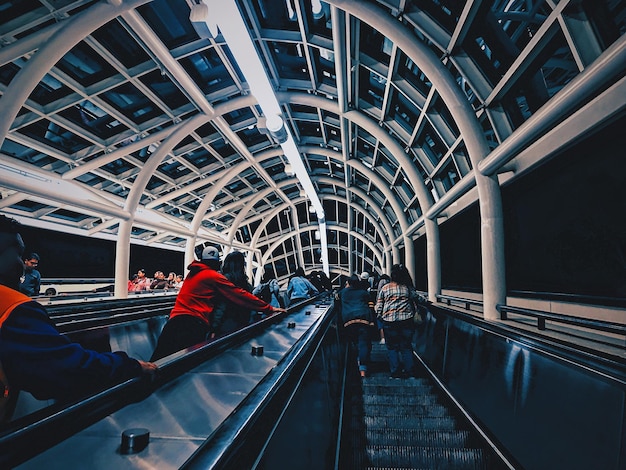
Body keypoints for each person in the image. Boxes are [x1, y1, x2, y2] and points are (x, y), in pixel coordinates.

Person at [0, 214, 157, 422]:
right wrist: (131, 366)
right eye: (18, 254)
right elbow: (65, 370)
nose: (21, 263)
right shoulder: (12, 307)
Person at [149, 246, 286, 361]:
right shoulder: (213, 276)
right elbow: (239, 295)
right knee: (183, 363)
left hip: (174, 321)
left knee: (158, 360)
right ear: (217, 263)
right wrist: (268, 308)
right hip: (192, 324)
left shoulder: (192, 274)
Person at [375, 264, 417, 379]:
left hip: (389, 321)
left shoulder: (385, 288)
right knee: (406, 347)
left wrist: (379, 316)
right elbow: (417, 298)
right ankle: (410, 372)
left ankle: (395, 373)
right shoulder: (407, 287)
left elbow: (379, 306)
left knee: (392, 348)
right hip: (406, 321)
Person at [337, 275, 374, 378]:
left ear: (348, 283)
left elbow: (336, 299)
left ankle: (353, 368)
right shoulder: (364, 293)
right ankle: (363, 369)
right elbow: (371, 306)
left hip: (348, 321)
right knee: (363, 343)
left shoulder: (343, 292)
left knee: (352, 344)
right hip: (364, 319)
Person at [212, 251, 254, 336]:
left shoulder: (224, 280)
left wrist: (213, 328)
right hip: (242, 322)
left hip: (226, 324)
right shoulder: (245, 283)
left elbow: (221, 306)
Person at [375, 274, 391, 344]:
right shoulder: (390, 283)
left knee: (380, 322)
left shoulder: (381, 282)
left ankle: (383, 338)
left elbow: (379, 293)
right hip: (390, 305)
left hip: (383, 303)